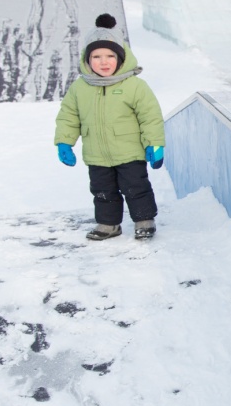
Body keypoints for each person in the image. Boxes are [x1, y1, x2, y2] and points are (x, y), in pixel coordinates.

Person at [54, 13, 166, 240]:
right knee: (102, 192)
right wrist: (64, 142)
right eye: (96, 56)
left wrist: (154, 144)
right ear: (87, 59)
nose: (103, 62)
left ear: (121, 58)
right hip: (97, 154)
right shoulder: (80, 88)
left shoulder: (134, 86)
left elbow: (150, 116)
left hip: (130, 152)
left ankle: (144, 220)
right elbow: (68, 116)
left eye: (109, 56)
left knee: (136, 188)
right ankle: (108, 224)